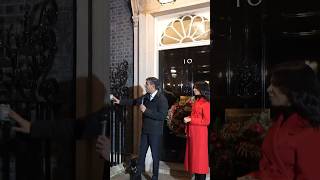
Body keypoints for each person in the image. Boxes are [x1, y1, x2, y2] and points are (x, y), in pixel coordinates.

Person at [238, 61, 320, 180]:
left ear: (294, 89)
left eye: (275, 85)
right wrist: (254, 177)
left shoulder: (311, 129)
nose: (268, 90)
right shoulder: (280, 121)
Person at [112, 77, 168, 180]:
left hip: (155, 132)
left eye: (147, 84)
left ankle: (155, 177)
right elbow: (134, 101)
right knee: (141, 154)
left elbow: (162, 116)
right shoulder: (145, 97)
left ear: (153, 86)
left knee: (155, 156)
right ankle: (137, 175)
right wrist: (120, 102)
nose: (145, 85)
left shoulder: (162, 99)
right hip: (145, 130)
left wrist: (146, 111)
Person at [183, 81, 210, 180]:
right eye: (194, 87)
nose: (193, 89)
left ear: (202, 90)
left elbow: (207, 121)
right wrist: (189, 118)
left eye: (196, 88)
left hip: (200, 134)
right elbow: (195, 116)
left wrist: (191, 119)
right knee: (195, 159)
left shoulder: (206, 103)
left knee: (200, 160)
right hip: (194, 133)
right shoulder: (197, 101)